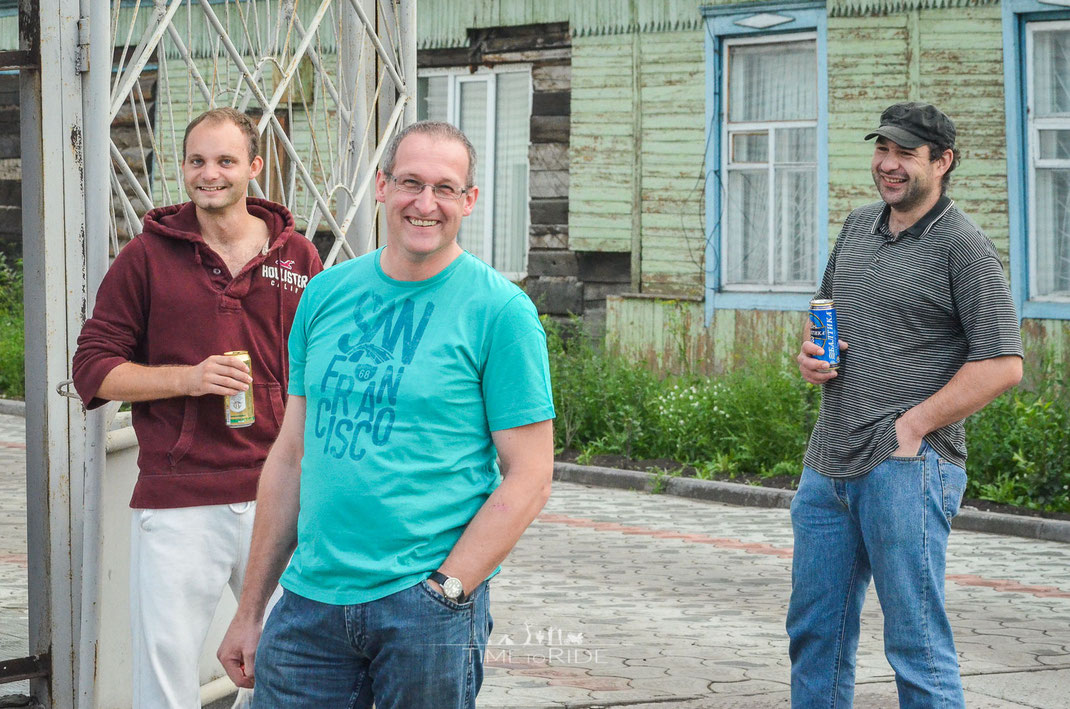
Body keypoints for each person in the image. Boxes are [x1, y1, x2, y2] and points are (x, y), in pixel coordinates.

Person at [216, 120, 556, 708]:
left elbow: (530, 474)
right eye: (410, 183)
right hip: (308, 603)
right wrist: (251, 609)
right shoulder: (325, 294)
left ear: (469, 201)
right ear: (381, 186)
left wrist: (449, 590)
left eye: (445, 189)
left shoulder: (500, 312)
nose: (425, 204)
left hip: (423, 607)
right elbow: (292, 453)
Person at [71, 107, 322, 708]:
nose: (210, 174)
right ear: (183, 168)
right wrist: (187, 378)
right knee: (164, 680)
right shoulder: (146, 258)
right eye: (198, 161)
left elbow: (324, 367)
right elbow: (93, 369)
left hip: (282, 492)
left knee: (294, 670)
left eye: (226, 161)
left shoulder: (299, 258)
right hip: (180, 496)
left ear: (254, 168)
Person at [788, 102, 1024, 708]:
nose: (888, 166)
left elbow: (1002, 363)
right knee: (814, 634)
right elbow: (825, 318)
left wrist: (914, 425)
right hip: (829, 462)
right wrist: (813, 354)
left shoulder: (963, 245)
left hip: (908, 469)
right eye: (882, 150)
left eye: (905, 155)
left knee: (915, 644)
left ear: (941, 162)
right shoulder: (856, 228)